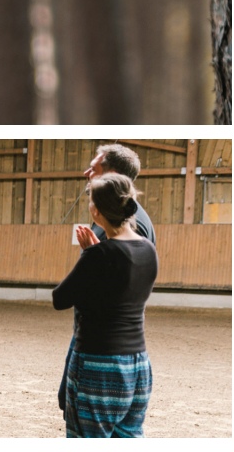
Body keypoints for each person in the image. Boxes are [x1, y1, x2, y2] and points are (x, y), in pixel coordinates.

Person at [52, 173, 158, 437]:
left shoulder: (98, 256)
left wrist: (90, 254)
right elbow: (120, 284)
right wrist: (97, 252)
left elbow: (60, 298)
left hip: (99, 366)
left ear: (96, 212)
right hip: (138, 365)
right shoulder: (147, 248)